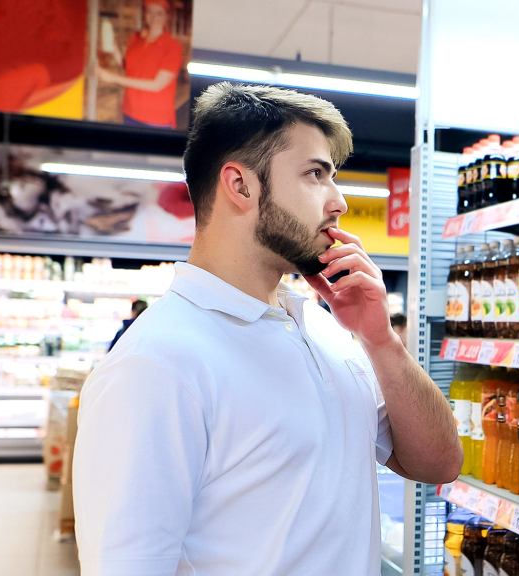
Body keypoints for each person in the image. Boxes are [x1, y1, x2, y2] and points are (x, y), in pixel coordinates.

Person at [73, 83, 462, 575]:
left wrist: (380, 340)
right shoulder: (155, 364)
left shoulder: (323, 327)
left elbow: (438, 464)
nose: (339, 201)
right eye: (315, 174)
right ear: (240, 185)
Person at [97, 0, 183, 128]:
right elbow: (128, 67)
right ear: (145, 15)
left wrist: (113, 78)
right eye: (150, 12)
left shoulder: (172, 46)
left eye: (159, 13)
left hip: (155, 120)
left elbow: (157, 85)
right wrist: (114, 48)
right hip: (129, 112)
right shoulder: (136, 39)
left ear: (166, 17)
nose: (153, 17)